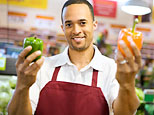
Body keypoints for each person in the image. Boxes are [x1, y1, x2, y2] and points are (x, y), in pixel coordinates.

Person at [7, 0, 142, 115]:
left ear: (94, 25)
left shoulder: (111, 68)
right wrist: (22, 86)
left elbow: (124, 112)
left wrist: (127, 84)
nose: (76, 30)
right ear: (63, 28)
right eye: (69, 24)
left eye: (82, 23)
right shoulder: (42, 67)